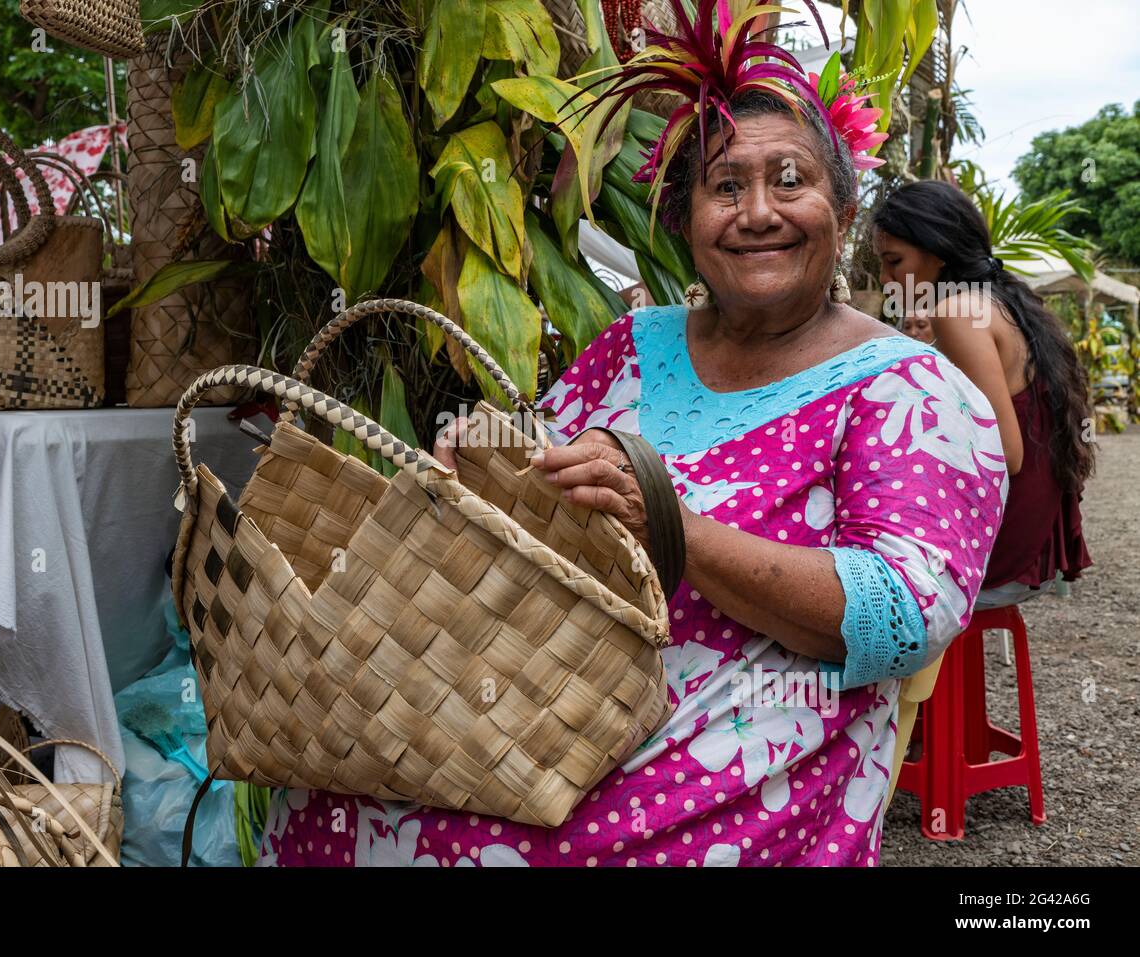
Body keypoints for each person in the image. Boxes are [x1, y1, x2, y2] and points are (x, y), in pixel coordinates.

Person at [259, 6, 1006, 867]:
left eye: (789, 180)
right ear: (683, 220)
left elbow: (903, 620)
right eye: (725, 187)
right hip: (544, 704)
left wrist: (669, 525)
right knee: (337, 787)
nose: (757, 212)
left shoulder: (909, 390)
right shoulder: (635, 342)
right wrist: (482, 466)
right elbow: (542, 497)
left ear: (841, 205)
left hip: (725, 764)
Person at [874, 181, 1093, 609]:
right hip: (1037, 543)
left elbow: (1005, 454)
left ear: (936, 253)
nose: (886, 279)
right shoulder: (1003, 301)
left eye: (893, 261)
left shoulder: (956, 312)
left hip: (1000, 557)